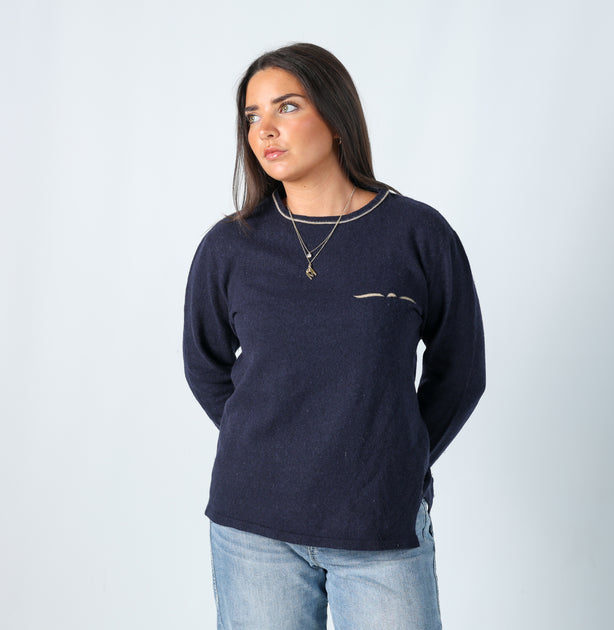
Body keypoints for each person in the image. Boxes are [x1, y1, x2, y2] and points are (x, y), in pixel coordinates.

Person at [183, 42, 485, 630]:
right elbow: (204, 364)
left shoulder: (417, 235)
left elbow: (462, 371)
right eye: (252, 116)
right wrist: (270, 444)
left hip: (378, 523)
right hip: (253, 528)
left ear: (336, 116)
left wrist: (394, 456)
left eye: (287, 107)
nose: (265, 130)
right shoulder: (229, 246)